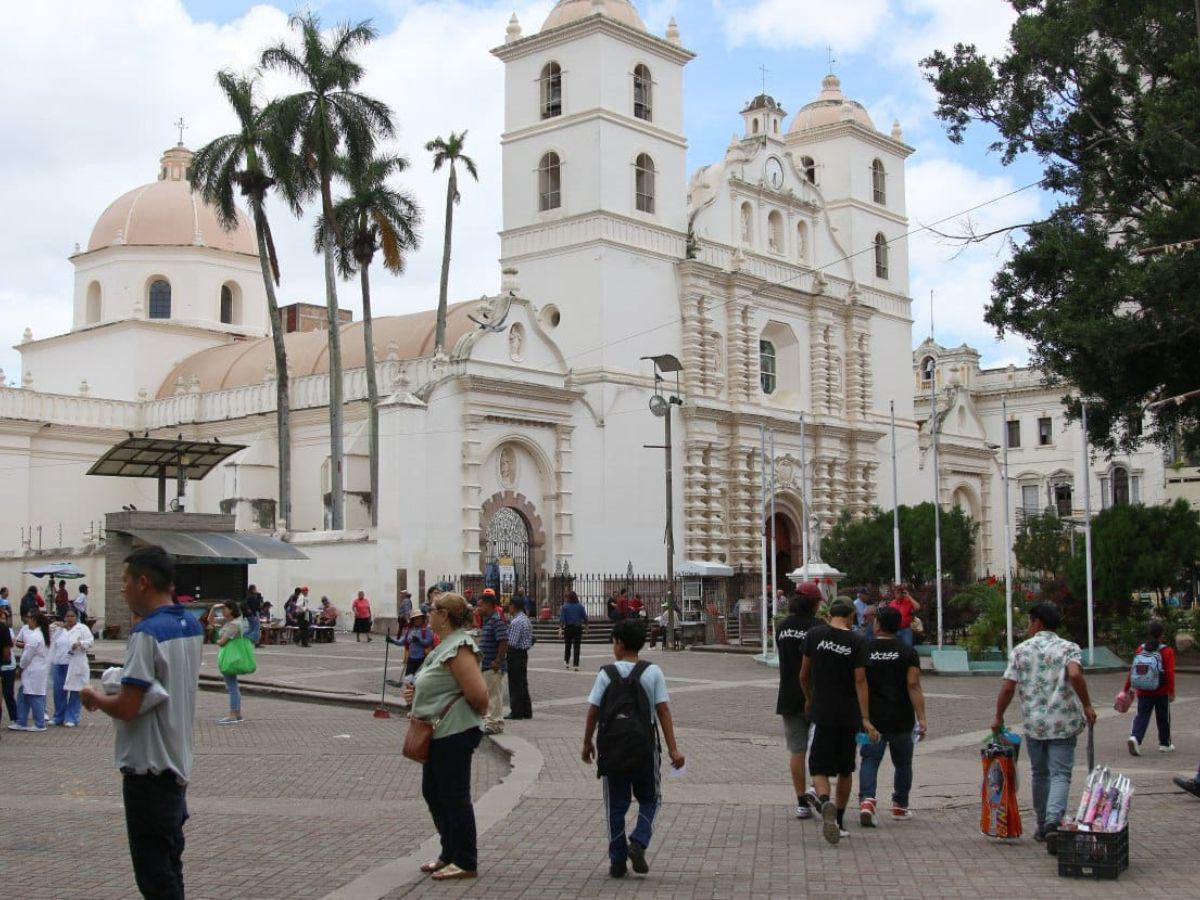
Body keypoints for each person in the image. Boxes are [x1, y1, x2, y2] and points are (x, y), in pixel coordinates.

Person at [81, 545, 203, 900]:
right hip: (177, 764)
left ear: (144, 583)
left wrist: (96, 698)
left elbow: (128, 706)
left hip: (148, 771)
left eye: (125, 582)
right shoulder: (190, 625)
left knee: (155, 877)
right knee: (170, 867)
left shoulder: (146, 634)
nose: (122, 589)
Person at [582, 619, 685, 879]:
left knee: (615, 805)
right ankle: (638, 841)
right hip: (644, 748)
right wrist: (674, 750)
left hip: (612, 749)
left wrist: (587, 743)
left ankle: (617, 860)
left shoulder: (606, 674)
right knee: (651, 799)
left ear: (619, 643)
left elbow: (593, 712)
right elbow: (663, 711)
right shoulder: (653, 672)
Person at [992, 601, 1097, 850]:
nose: (1028, 627)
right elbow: (1075, 674)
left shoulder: (1021, 650)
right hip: (1063, 722)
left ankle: (1042, 825)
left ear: (1037, 622)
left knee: (1039, 774)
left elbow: (1008, 686)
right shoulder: (1068, 648)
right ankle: (1053, 823)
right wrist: (1087, 705)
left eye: (1029, 622)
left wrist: (998, 716)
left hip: (1034, 724)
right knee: (1060, 774)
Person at [404, 592, 489, 881]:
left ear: (444, 616)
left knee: (454, 797)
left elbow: (478, 695)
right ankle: (449, 852)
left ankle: (466, 860)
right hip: (438, 732)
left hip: (454, 732)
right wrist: (416, 693)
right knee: (434, 793)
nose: (427, 614)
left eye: (432, 610)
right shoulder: (443, 646)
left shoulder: (460, 646)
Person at [800, 597, 878, 845]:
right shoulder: (857, 641)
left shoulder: (814, 635)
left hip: (822, 710)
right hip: (849, 713)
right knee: (845, 769)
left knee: (819, 768)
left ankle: (824, 802)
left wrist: (809, 698)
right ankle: (840, 821)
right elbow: (860, 680)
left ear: (829, 613)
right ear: (852, 616)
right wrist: (865, 717)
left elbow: (803, 674)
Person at [859, 605, 926, 826]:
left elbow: (859, 682)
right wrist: (921, 717)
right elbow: (913, 684)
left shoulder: (865, 648)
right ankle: (900, 804)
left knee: (870, 759)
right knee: (903, 763)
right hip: (901, 716)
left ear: (877, 624)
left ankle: (867, 800)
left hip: (873, 718)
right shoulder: (908, 651)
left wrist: (862, 715)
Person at [777, 583, 822, 820]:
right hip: (816, 696)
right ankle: (816, 789)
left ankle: (801, 802)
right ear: (814, 604)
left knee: (797, 751)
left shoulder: (782, 627)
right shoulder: (818, 628)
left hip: (788, 696)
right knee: (818, 749)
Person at [1124, 620, 1175, 755]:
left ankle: (1135, 737)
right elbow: (1169, 673)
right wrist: (1171, 691)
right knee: (1163, 717)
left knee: (1142, 715)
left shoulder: (1141, 649)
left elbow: (1133, 670)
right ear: (1162, 634)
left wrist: (1126, 688)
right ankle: (1165, 744)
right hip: (1161, 691)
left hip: (1143, 689)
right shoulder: (1167, 651)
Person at [49, 607, 93, 727]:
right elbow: (51, 640)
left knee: (75, 691)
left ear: (77, 617)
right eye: (67, 616)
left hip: (75, 664)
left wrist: (80, 644)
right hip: (60, 663)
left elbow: (90, 641)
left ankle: (72, 718)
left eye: (72, 616)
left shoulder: (82, 628)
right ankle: (58, 716)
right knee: (59, 691)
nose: (70, 618)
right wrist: (57, 625)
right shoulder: (58, 629)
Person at [10, 611, 50, 732]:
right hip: (35, 671)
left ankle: (39, 723)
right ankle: (21, 721)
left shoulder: (35, 636)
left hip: (33, 671)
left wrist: (20, 668)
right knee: (23, 694)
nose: (28, 621)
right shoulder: (40, 634)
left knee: (35, 696)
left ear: (35, 621)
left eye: (30, 619)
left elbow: (27, 656)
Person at [477, 593, 508, 734]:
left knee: (494, 695)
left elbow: (503, 641)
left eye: (481, 605)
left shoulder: (497, 621)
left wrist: (498, 660)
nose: (478, 609)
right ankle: (492, 722)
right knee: (490, 695)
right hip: (487, 665)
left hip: (493, 666)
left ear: (489, 605)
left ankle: (494, 723)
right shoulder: (488, 621)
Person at [215, 600, 247, 725]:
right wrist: (214, 608)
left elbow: (222, 641)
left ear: (231, 610)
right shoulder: (228, 622)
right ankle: (237, 714)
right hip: (230, 655)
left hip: (230, 656)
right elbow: (210, 621)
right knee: (233, 685)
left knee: (232, 686)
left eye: (225, 609)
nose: (223, 611)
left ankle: (233, 714)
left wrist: (217, 641)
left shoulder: (234, 624)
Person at [505, 597, 534, 720]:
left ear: (514, 606)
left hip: (515, 654)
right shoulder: (525, 619)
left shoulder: (516, 622)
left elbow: (511, 642)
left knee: (515, 684)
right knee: (522, 683)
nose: (508, 608)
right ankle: (526, 710)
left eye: (509, 605)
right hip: (523, 653)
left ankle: (516, 711)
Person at [399, 609, 435, 678]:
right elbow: (403, 641)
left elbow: (429, 641)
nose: (418, 620)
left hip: (421, 658)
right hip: (411, 658)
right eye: (416, 619)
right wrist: (392, 641)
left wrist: (419, 640)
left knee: (418, 678)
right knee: (408, 679)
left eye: (419, 618)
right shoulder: (409, 630)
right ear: (413, 620)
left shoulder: (426, 629)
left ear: (422, 619)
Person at [560, 590, 588, 671]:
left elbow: (562, 619)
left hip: (568, 628)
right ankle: (576, 665)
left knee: (567, 645)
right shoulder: (580, 606)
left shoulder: (564, 607)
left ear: (568, 598)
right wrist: (586, 626)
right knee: (577, 646)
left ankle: (567, 662)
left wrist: (560, 629)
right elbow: (585, 618)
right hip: (578, 628)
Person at [0, 606, 16, 727]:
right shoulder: (3, 629)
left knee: (8, 694)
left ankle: (14, 717)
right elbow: (7, 653)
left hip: (7, 668)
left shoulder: (6, 629)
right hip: (3, 665)